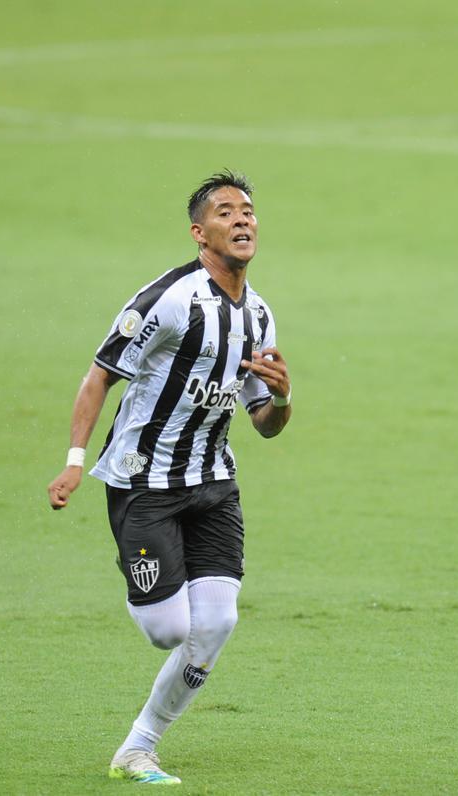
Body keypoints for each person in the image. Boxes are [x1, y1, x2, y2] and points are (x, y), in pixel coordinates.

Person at [47, 171, 292, 785]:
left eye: (248, 211)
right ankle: (142, 565)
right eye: (226, 212)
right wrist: (76, 463)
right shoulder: (171, 300)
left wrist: (284, 399)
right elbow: (101, 373)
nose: (242, 220)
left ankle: (138, 747)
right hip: (143, 483)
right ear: (199, 232)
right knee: (169, 630)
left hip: (213, 483)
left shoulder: (258, 317)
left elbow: (263, 421)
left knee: (218, 622)